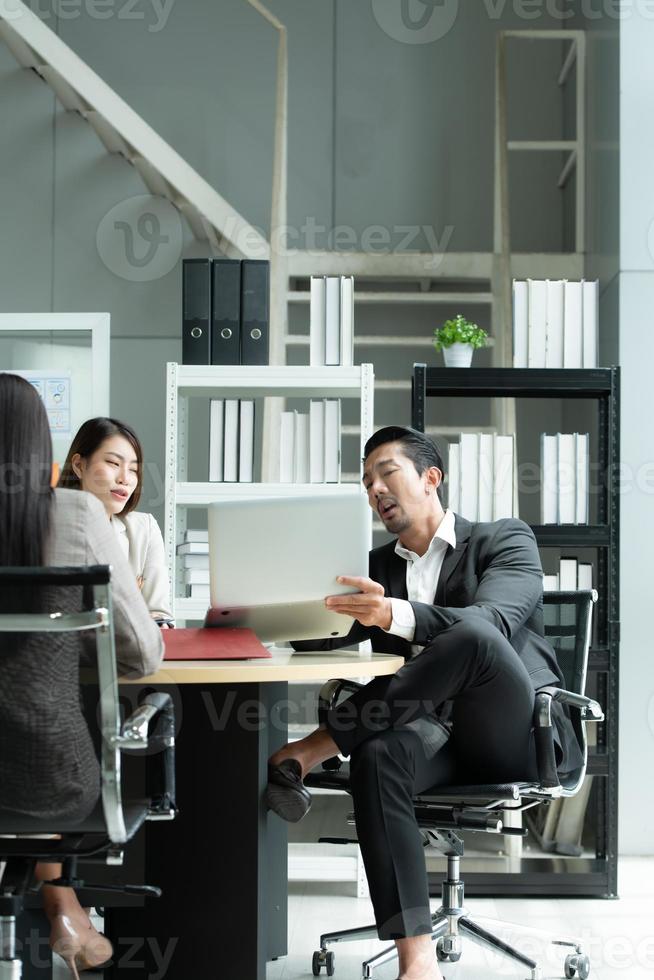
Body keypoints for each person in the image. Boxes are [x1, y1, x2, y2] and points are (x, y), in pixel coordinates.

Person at [266, 425, 582, 980]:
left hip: (510, 731)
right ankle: (417, 960)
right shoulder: (376, 567)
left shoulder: (505, 540)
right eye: (366, 482)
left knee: (475, 636)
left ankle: (316, 747)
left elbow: (496, 623)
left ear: (431, 478)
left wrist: (392, 614)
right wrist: (281, 606)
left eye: (387, 473)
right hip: (429, 734)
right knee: (377, 754)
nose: (375, 490)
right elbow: (325, 634)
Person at [0, 374, 164, 978]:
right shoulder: (76, 514)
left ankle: (60, 906)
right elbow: (143, 655)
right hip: (51, 775)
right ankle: (63, 902)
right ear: (44, 450)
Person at [59, 417, 173, 623]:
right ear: (78, 465)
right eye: (113, 463)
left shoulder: (144, 529)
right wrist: (127, 603)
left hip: (132, 654)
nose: (125, 479)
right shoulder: (51, 529)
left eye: (133, 470)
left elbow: (159, 617)